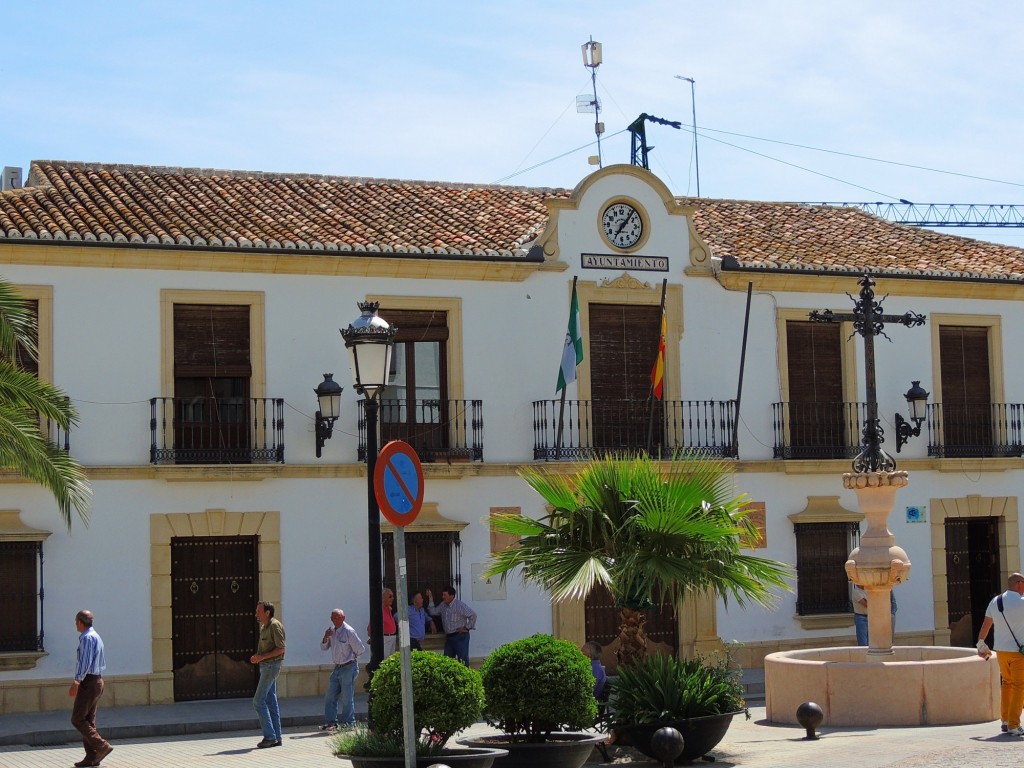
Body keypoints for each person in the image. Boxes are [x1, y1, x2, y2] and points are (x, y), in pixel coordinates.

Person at [977, 572, 1024, 736]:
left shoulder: (996, 601)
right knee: (1020, 686)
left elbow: (985, 625)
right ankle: (1014, 724)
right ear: (1018, 583)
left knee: (1007, 683)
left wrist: (981, 644)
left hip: (1001, 651)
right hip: (1019, 653)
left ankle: (1005, 721)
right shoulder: (1022, 602)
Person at [69, 610, 113, 768]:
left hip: (89, 682)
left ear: (80, 622)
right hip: (96, 681)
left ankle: (101, 746)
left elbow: (85, 662)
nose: (75, 625)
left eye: (76, 622)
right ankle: (92, 756)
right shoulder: (95, 635)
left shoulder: (87, 638)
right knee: (88, 721)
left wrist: (77, 681)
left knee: (77, 719)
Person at [319, 608, 365, 732]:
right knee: (330, 696)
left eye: (338, 617)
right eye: (334, 618)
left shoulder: (349, 631)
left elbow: (360, 649)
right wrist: (325, 637)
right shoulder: (331, 631)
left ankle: (349, 723)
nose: (336, 620)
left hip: (348, 667)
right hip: (337, 668)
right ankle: (330, 722)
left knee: (346, 697)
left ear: (343, 618)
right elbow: (324, 647)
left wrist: (352, 660)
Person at [250, 600, 286, 748]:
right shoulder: (265, 626)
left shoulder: (275, 625)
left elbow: (281, 649)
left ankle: (269, 736)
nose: (256, 613)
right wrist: (258, 657)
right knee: (271, 702)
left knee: (258, 701)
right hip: (266, 666)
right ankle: (277, 737)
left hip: (271, 667)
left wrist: (261, 657)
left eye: (259, 611)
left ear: (267, 612)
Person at [426, 585, 477, 664]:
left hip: (460, 637)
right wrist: (430, 598)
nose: (443, 597)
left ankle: (465, 676)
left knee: (462, 660)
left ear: (452, 596)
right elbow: (433, 612)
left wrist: (467, 628)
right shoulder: (443, 605)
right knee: (447, 661)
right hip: (449, 638)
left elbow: (473, 615)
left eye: (445, 595)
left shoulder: (459, 605)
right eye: (443, 595)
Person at [367, 588, 399, 657]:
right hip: (385, 638)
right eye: (390, 596)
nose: (393, 598)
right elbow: (371, 626)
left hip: (391, 637)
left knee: (390, 660)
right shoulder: (379, 610)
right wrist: (373, 638)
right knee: (384, 660)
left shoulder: (388, 609)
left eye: (393, 596)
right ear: (383, 597)